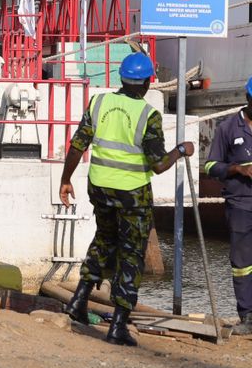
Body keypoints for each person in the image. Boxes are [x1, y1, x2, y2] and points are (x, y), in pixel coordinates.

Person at [59, 52, 194, 346]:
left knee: (104, 239)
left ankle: (78, 301)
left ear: (121, 78)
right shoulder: (148, 115)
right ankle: (118, 325)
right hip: (132, 194)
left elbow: (77, 145)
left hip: (100, 188)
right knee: (132, 255)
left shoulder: (98, 103)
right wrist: (182, 150)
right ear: (147, 83)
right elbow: (158, 164)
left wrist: (65, 179)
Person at [202, 76, 252, 336]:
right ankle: (247, 316)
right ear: (248, 98)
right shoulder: (228, 128)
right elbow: (210, 166)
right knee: (242, 262)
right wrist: (237, 169)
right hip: (241, 204)